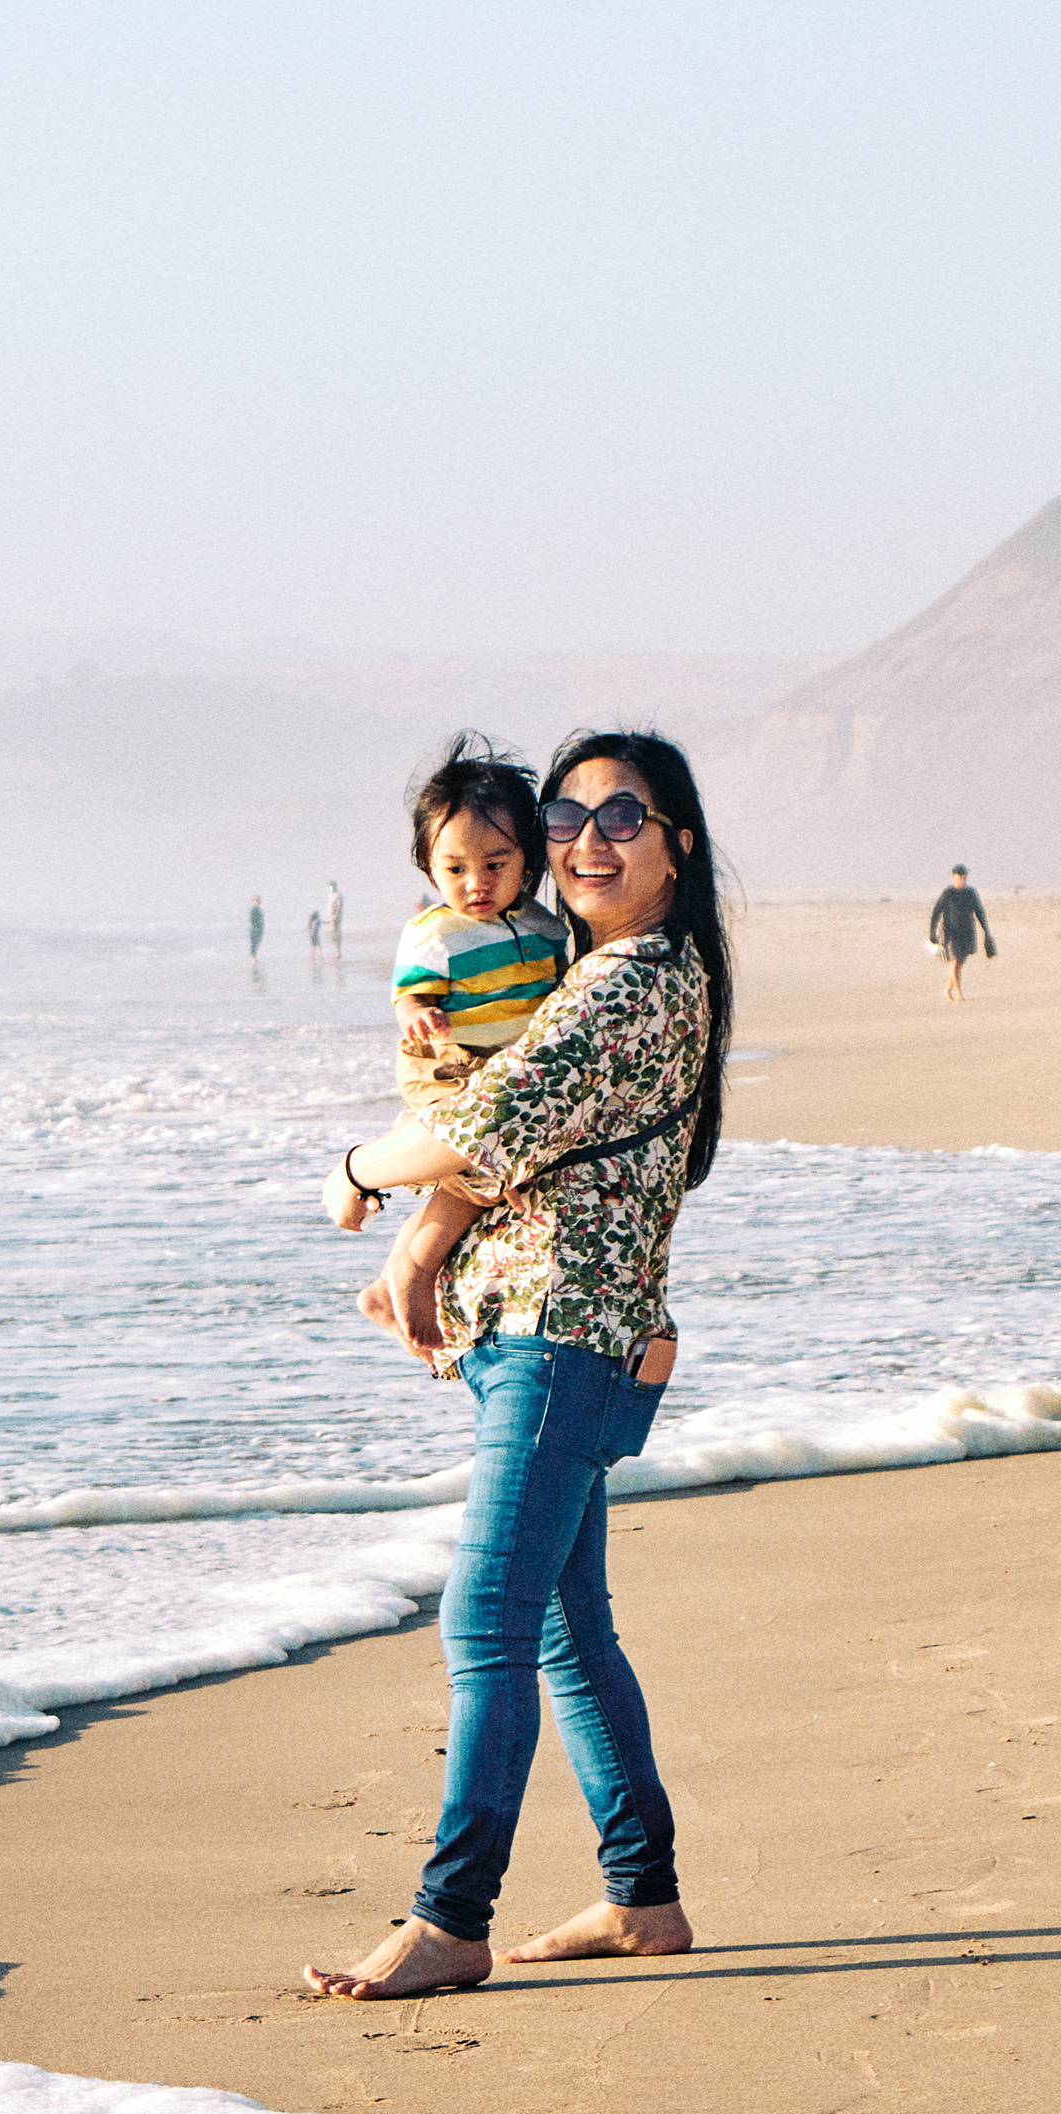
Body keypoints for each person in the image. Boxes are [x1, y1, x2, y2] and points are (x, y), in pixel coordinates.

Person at [308, 728, 733, 2001]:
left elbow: (475, 1126)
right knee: (562, 1624)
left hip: (560, 1341)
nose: (588, 839)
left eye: (624, 816)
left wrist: (352, 1170)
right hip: (549, 1337)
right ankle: (642, 1894)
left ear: (678, 845)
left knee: (486, 1618)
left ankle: (452, 1917)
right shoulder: (605, 977)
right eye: (568, 815)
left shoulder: (628, 986)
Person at [370, 739, 570, 1304]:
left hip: (507, 1064)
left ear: (528, 861)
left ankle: (403, 1282)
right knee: (475, 1173)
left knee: (493, 1178)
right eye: (454, 868)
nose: (475, 883)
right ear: (428, 866)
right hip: (450, 1063)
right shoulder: (436, 933)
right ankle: (408, 1278)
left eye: (494, 865)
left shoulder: (545, 927)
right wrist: (419, 1014)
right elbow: (409, 995)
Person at [928, 864, 995, 1000]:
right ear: (953, 877)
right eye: (959, 877)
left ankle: (947, 989)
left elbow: (979, 913)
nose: (962, 879)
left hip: (967, 932)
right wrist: (932, 933)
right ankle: (958, 993)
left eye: (964, 877)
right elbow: (936, 912)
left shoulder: (970, 893)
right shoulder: (948, 893)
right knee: (955, 961)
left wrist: (986, 931)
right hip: (951, 933)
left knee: (959, 963)